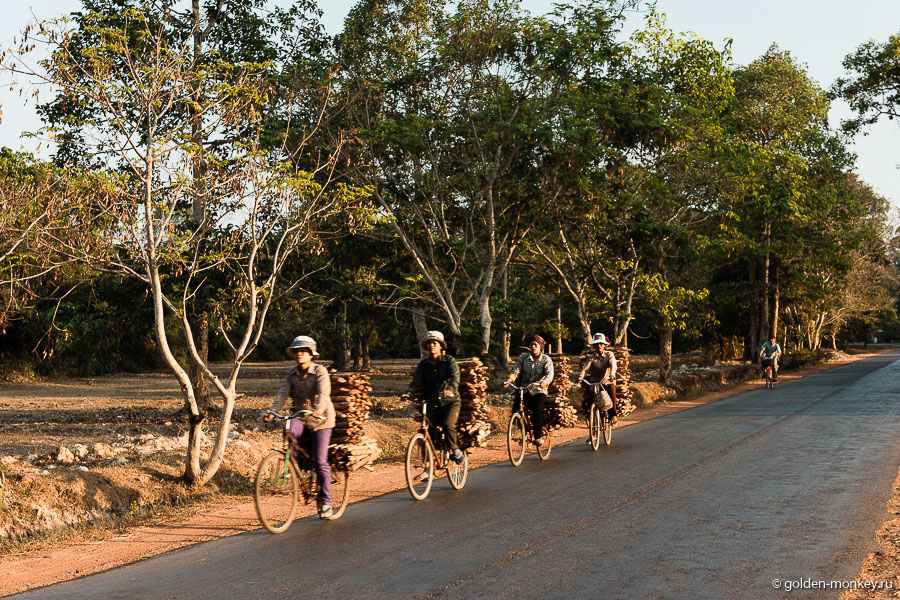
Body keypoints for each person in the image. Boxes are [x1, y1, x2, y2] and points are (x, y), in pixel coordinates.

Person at [264, 335, 335, 519]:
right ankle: (293, 470)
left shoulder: (320, 371)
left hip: (322, 420)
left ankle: (326, 503)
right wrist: (272, 411)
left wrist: (319, 409)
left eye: (303, 351)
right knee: (288, 432)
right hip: (300, 416)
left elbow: (324, 392)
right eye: (296, 351)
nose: (299, 354)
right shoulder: (292, 373)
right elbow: (282, 393)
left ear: (311, 354)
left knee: (320, 462)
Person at [400, 331, 465, 464]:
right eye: (429, 343)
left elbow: (455, 378)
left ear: (441, 346)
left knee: (447, 425)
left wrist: (450, 390)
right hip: (433, 402)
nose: (431, 345)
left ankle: (455, 448)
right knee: (426, 433)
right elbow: (415, 383)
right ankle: (428, 466)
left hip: (451, 402)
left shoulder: (449, 361)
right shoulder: (423, 365)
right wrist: (409, 393)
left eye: (434, 343)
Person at [505, 334, 554, 447]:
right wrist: (508, 380)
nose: (533, 347)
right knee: (516, 409)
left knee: (537, 408)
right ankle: (525, 432)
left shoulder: (546, 359)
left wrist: (544, 382)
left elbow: (549, 374)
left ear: (540, 347)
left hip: (539, 390)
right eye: (531, 345)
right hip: (524, 389)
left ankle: (538, 436)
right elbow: (515, 371)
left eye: (535, 345)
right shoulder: (523, 358)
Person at [577, 332, 619, 427]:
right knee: (589, 401)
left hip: (607, 381)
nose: (599, 346)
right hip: (595, 383)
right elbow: (585, 368)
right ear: (594, 346)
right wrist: (581, 377)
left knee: (611, 393)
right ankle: (592, 428)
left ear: (604, 345)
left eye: (601, 344)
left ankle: (613, 416)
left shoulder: (609, 355)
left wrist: (612, 375)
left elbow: (613, 365)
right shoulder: (591, 358)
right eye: (596, 344)